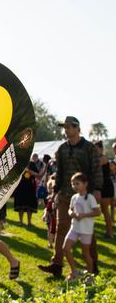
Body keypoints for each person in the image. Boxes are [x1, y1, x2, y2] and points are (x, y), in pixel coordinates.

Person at [38, 116, 102, 278]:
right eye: (64, 128)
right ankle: (57, 264)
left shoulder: (88, 148)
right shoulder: (62, 149)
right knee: (61, 229)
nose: (66, 130)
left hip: (84, 195)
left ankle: (93, 266)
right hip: (65, 195)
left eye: (68, 127)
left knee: (88, 231)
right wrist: (54, 193)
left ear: (76, 128)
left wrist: (97, 190)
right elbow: (59, 173)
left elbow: (96, 169)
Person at [63, 172, 101, 280]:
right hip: (74, 228)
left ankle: (90, 276)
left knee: (85, 254)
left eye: (77, 184)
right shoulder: (74, 197)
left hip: (86, 230)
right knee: (65, 248)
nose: (74, 186)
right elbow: (70, 209)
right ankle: (74, 272)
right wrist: (71, 213)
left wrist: (84, 215)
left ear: (85, 184)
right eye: (73, 184)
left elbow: (97, 212)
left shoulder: (90, 198)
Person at [94, 141, 114, 238]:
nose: (94, 151)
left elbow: (95, 165)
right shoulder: (96, 158)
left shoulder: (104, 158)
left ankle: (110, 233)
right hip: (99, 185)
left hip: (106, 185)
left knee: (105, 210)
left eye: (96, 149)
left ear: (101, 149)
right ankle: (108, 231)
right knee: (103, 209)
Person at [13, 154, 39, 226]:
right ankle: (21, 221)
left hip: (30, 187)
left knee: (29, 205)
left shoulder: (32, 164)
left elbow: (38, 175)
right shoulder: (17, 163)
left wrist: (29, 171)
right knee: (20, 204)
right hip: (20, 187)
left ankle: (29, 222)